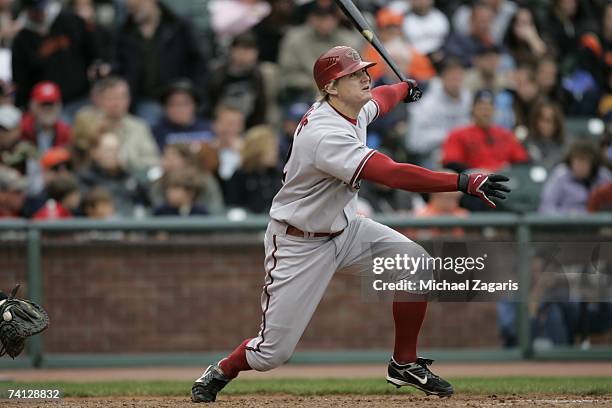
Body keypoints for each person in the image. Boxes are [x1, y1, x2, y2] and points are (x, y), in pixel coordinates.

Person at [190, 45, 511, 403]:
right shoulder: (325, 133)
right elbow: (392, 174)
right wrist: (461, 181)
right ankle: (222, 369)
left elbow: (383, 100)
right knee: (271, 354)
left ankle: (403, 363)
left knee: (416, 264)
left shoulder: (351, 108)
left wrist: (404, 89)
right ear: (330, 87)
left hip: (346, 229)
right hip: (299, 242)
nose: (365, 77)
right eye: (354, 74)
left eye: (364, 71)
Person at [115, 0, 207, 127]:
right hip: (143, 100)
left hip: (177, 97)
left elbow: (199, 63)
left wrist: (193, 94)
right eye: (130, 9)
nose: (134, 12)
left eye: (137, 7)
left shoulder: (179, 26)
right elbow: (120, 64)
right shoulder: (125, 31)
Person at [442, 89, 528, 173]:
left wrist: (509, 170)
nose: (485, 112)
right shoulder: (458, 134)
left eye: (489, 107)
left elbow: (522, 160)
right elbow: (450, 163)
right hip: (473, 182)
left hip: (504, 181)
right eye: (481, 107)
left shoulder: (505, 135)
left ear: (494, 110)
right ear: (473, 109)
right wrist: (475, 172)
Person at [539, 140, 612, 214]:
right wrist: (565, 215)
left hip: (599, 222)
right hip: (565, 223)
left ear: (593, 163)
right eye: (578, 161)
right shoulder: (560, 175)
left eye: (585, 162)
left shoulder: (603, 175)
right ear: (570, 161)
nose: (581, 166)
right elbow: (546, 207)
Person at [225, 125, 282, 214]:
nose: (276, 152)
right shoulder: (240, 176)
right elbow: (233, 208)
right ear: (257, 149)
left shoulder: (278, 174)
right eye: (271, 148)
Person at [153, 79, 212, 151]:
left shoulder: (209, 128)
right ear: (165, 108)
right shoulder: (157, 133)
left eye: (184, 104)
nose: (179, 109)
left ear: (195, 106)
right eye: (173, 104)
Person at [20, 81, 72, 154]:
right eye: (43, 104)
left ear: (59, 106)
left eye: (51, 104)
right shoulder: (20, 130)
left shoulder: (67, 133)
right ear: (32, 106)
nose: (48, 109)